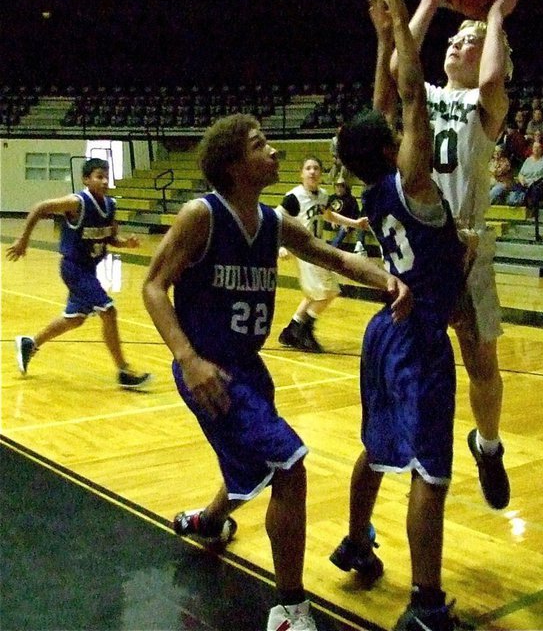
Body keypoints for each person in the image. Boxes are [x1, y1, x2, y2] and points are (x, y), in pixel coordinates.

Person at [141, 114, 411, 631]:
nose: (275, 153)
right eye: (261, 145)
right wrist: (188, 358)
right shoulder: (201, 215)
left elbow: (328, 254)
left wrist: (387, 280)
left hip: (249, 368)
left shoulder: (273, 222)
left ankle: (210, 519)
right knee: (288, 466)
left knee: (257, 461)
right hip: (212, 372)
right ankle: (288, 609)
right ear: (233, 165)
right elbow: (153, 286)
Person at [332, 0, 466, 631]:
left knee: (377, 447)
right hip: (417, 340)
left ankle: (356, 541)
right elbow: (409, 96)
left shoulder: (372, 188)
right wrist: (415, 24)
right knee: (429, 472)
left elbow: (380, 109)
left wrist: (383, 35)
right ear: (392, 150)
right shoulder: (412, 182)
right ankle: (425, 603)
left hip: (383, 331)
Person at [396, 0, 522, 510]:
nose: (456, 44)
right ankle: (414, 451)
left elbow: (492, 76)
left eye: (469, 42)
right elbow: (401, 59)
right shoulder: (421, 94)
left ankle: (488, 445)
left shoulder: (486, 105)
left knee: (482, 365)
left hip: (467, 247)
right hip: (420, 251)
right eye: (454, 38)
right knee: (415, 366)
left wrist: (493, 16)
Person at [6, 157, 151, 389]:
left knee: (74, 319)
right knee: (108, 310)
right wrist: (23, 239)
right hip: (73, 268)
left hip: (89, 270)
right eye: (99, 176)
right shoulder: (77, 203)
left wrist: (126, 243)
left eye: (106, 176)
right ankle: (123, 370)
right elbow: (39, 208)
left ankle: (30, 343)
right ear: (86, 179)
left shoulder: (110, 205)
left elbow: (111, 238)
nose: (104, 181)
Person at [277, 156, 368, 353]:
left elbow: (329, 215)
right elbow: (277, 219)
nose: (312, 171)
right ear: (301, 174)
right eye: (308, 168)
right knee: (329, 291)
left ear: (321, 173)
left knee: (313, 294)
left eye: (316, 168)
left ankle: (292, 330)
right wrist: (280, 246)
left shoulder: (324, 195)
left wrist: (354, 223)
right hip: (302, 249)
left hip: (316, 248)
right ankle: (305, 329)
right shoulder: (294, 197)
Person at [506, 140, 543, 208]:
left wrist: (537, 181)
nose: (536, 149)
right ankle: (515, 202)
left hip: (538, 185)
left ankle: (531, 208)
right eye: (534, 147)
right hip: (525, 183)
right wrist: (522, 180)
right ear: (532, 149)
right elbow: (520, 174)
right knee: (515, 189)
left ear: (542, 149)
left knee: (535, 190)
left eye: (538, 147)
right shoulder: (528, 160)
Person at [326, 177, 368, 255]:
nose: (339, 188)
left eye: (341, 186)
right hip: (333, 222)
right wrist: (332, 220)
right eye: (337, 186)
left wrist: (347, 223)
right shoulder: (331, 198)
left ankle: (331, 251)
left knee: (343, 229)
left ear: (345, 187)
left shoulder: (351, 199)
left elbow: (355, 215)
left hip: (347, 223)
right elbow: (326, 212)